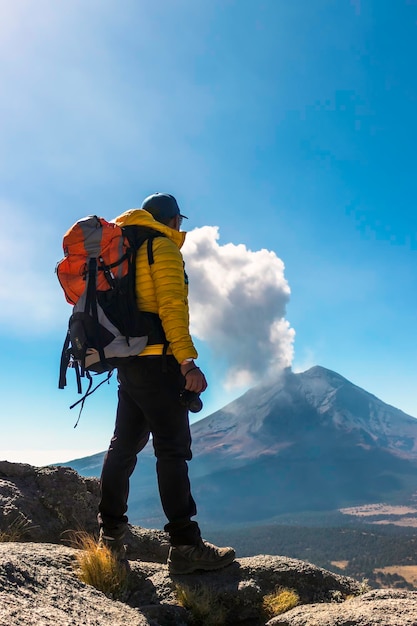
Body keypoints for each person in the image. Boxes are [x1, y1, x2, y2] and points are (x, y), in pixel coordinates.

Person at [97, 192, 235, 574]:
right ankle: (185, 546)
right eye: (180, 222)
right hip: (159, 361)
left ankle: (109, 537)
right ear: (172, 221)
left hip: (129, 363)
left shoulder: (126, 246)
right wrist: (188, 363)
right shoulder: (162, 248)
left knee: (123, 446)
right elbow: (172, 307)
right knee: (172, 451)